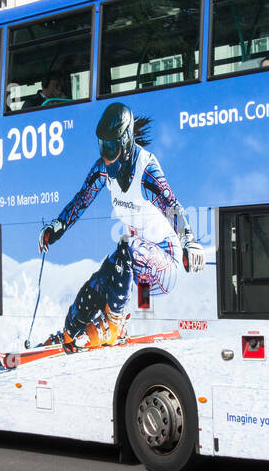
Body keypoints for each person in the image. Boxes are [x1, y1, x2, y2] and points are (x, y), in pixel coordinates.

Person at [38, 102, 205, 351]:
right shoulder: (104, 170)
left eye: (112, 146)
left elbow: (172, 207)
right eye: (102, 146)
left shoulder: (146, 170)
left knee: (127, 246)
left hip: (164, 263)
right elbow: (82, 199)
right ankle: (69, 332)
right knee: (98, 280)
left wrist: (189, 241)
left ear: (125, 141)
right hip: (133, 262)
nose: (106, 154)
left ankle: (114, 324)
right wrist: (58, 226)